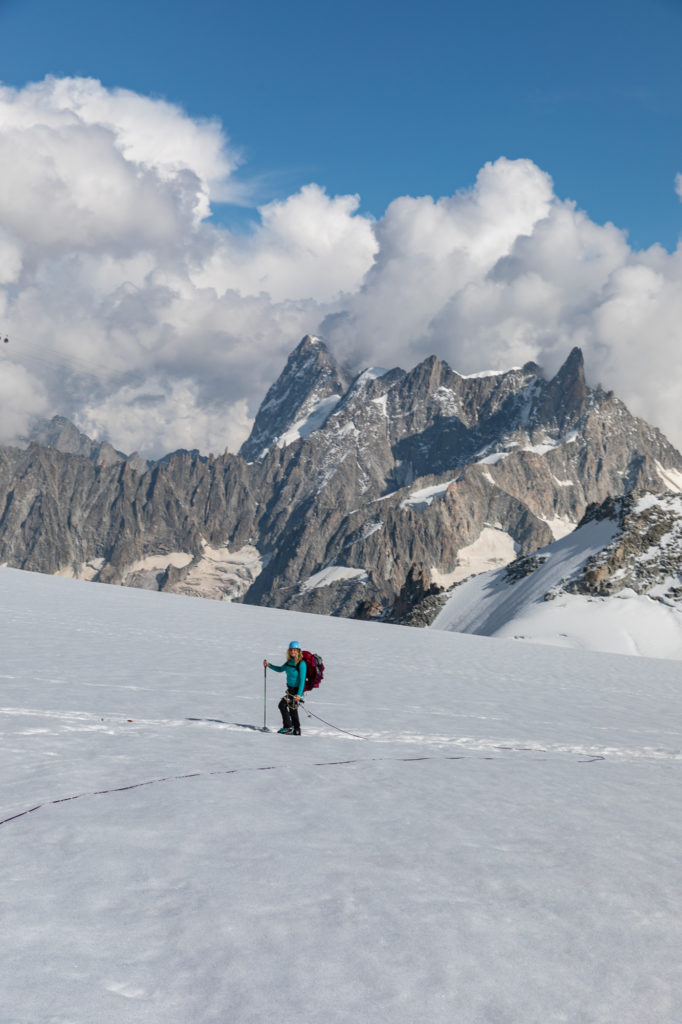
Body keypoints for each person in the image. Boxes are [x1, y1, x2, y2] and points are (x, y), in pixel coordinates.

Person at [263, 641, 307, 735]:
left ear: (299, 651)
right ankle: (291, 728)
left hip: (297, 691)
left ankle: (294, 729)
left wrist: (299, 695)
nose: (293, 652)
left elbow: (302, 680)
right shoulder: (289, 662)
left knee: (292, 709)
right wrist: (269, 665)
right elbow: (280, 669)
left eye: (295, 650)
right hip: (290, 690)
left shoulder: (302, 664)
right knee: (284, 706)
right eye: (291, 650)